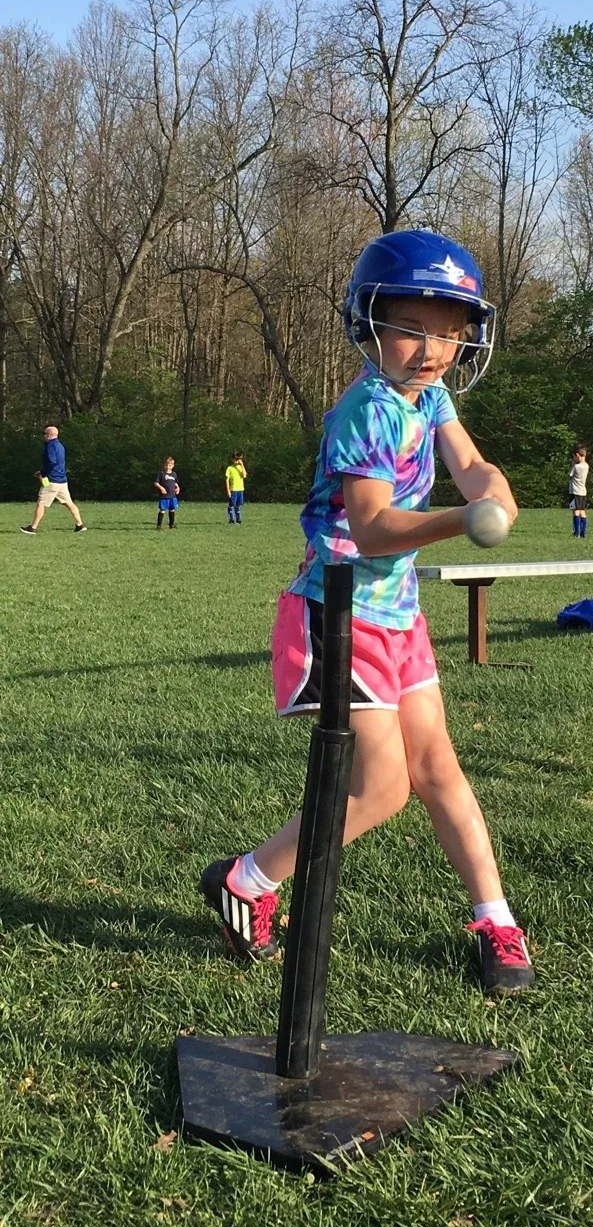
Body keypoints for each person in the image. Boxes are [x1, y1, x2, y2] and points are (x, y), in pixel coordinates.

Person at [198, 230, 535, 997]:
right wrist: (463, 518)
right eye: (413, 327)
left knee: (439, 767)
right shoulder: (363, 411)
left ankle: (493, 918)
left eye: (450, 330)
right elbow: (376, 526)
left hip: (399, 615)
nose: (431, 347)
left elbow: (468, 460)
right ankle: (246, 879)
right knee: (381, 788)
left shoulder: (433, 396)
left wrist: (491, 485)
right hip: (338, 611)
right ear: (373, 322)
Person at [20, 426, 87, 535]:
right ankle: (80, 525)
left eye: (45, 433)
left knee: (41, 503)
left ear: (49, 435)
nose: (44, 436)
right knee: (68, 503)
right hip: (62, 480)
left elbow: (52, 462)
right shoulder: (60, 446)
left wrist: (43, 473)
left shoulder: (50, 446)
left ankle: (32, 528)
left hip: (52, 481)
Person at [154, 457, 181, 530]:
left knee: (172, 509)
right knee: (162, 510)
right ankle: (159, 525)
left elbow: (175, 483)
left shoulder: (174, 474)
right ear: (164, 465)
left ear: (173, 466)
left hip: (172, 496)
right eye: (166, 465)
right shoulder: (161, 474)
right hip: (164, 496)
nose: (167, 467)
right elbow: (156, 483)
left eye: (169, 465)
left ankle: (171, 525)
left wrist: (178, 488)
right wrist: (161, 488)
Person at [569, 445, 589, 538]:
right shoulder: (586, 466)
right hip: (583, 491)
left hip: (575, 491)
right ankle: (583, 531)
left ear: (577, 455)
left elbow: (570, 475)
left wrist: (573, 464)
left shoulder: (576, 467)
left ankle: (576, 532)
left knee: (576, 511)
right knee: (582, 511)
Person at [225, 451, 247, 524]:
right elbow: (227, 480)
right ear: (233, 459)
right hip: (233, 489)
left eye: (239, 460)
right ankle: (231, 519)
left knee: (238, 505)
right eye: (236, 459)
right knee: (231, 505)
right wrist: (228, 490)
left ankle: (238, 519)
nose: (237, 461)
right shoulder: (229, 468)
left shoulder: (240, 468)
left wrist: (242, 465)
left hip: (240, 489)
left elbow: (244, 476)